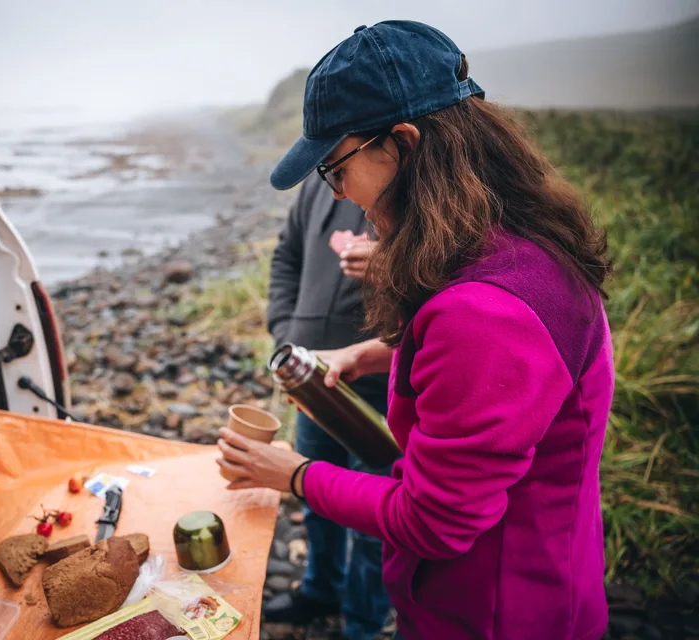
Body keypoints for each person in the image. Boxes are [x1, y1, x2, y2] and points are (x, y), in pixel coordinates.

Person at [217, 20, 613, 640]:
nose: (341, 195)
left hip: (494, 616)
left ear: (401, 143)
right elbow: (503, 374)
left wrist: (290, 472)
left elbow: (433, 521)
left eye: (336, 168)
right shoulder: (517, 244)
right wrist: (369, 354)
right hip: (536, 583)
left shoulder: (485, 316)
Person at [264, 173, 393, 639]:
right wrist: (286, 333)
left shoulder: (416, 181)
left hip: (382, 380)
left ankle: (361, 625)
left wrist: (393, 262)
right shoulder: (322, 182)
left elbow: (454, 274)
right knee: (315, 496)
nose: (336, 180)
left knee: (377, 520)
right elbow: (286, 258)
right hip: (312, 378)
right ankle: (320, 589)